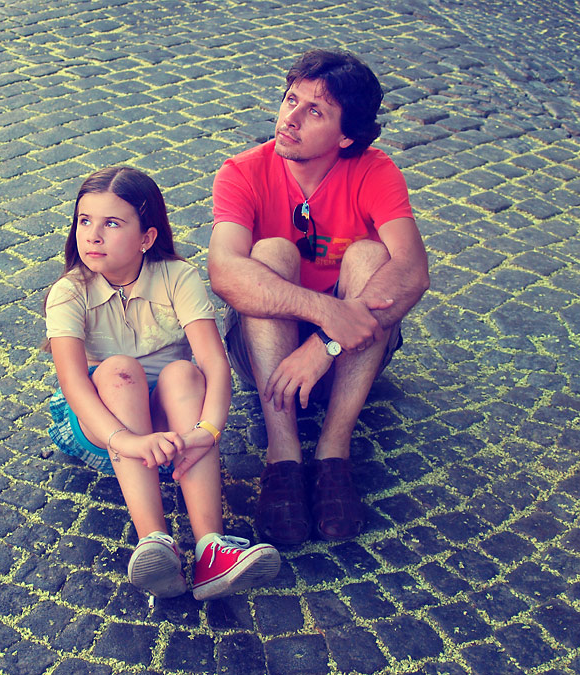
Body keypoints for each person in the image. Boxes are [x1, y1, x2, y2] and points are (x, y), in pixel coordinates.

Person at [207, 48, 430, 546]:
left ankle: (334, 452)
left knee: (372, 258)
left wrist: (326, 344)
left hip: (353, 358)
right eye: (291, 100)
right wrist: (326, 314)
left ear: (346, 136)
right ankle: (282, 456)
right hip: (266, 356)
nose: (291, 118)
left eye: (315, 111)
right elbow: (223, 271)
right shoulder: (242, 172)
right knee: (270, 253)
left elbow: (413, 271)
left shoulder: (374, 171)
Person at [44, 166, 281, 601]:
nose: (92, 235)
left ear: (147, 237)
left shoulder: (177, 277)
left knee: (184, 372)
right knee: (120, 370)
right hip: (101, 426)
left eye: (112, 223)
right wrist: (126, 440)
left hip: (168, 430)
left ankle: (212, 549)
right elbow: (74, 385)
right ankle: (154, 540)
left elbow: (214, 363)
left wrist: (207, 431)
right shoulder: (69, 292)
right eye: (84, 221)